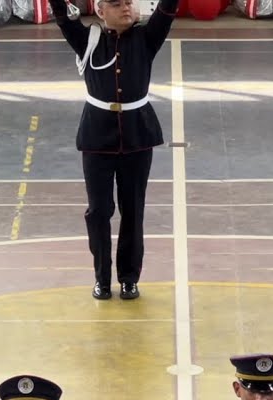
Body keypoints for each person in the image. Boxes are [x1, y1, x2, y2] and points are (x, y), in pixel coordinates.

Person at [51, 0, 180, 301]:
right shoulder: (87, 41)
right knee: (98, 212)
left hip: (137, 136)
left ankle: (129, 278)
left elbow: (168, 8)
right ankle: (101, 278)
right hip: (97, 137)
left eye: (128, 3)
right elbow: (60, 14)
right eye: (117, 4)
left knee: (132, 210)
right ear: (100, 10)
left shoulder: (147, 37)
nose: (125, 8)